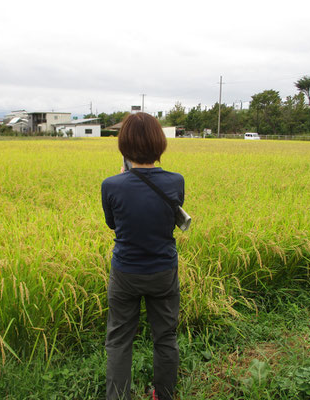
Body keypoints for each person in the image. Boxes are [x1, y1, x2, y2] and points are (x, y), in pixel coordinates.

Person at [101, 112, 185, 400]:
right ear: (159, 143)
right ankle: (163, 395)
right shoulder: (176, 182)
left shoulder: (111, 185)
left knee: (119, 341)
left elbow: (113, 224)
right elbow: (169, 219)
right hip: (163, 271)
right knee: (165, 337)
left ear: (123, 146)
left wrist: (125, 178)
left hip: (125, 273)